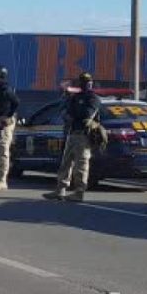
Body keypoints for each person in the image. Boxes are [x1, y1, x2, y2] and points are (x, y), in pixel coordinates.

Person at [43, 73, 101, 202]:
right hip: (72, 132)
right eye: (83, 82)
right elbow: (67, 112)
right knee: (66, 163)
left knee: (81, 164)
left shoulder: (93, 98)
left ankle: (79, 192)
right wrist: (73, 113)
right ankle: (60, 189)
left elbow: (86, 115)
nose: (85, 84)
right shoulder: (76, 97)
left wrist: (75, 113)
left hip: (84, 135)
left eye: (88, 82)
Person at [0, 65, 20, 190]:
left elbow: (16, 102)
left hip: (4, 122)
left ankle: (2, 179)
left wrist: (9, 116)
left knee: (2, 149)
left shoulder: (5, 89)